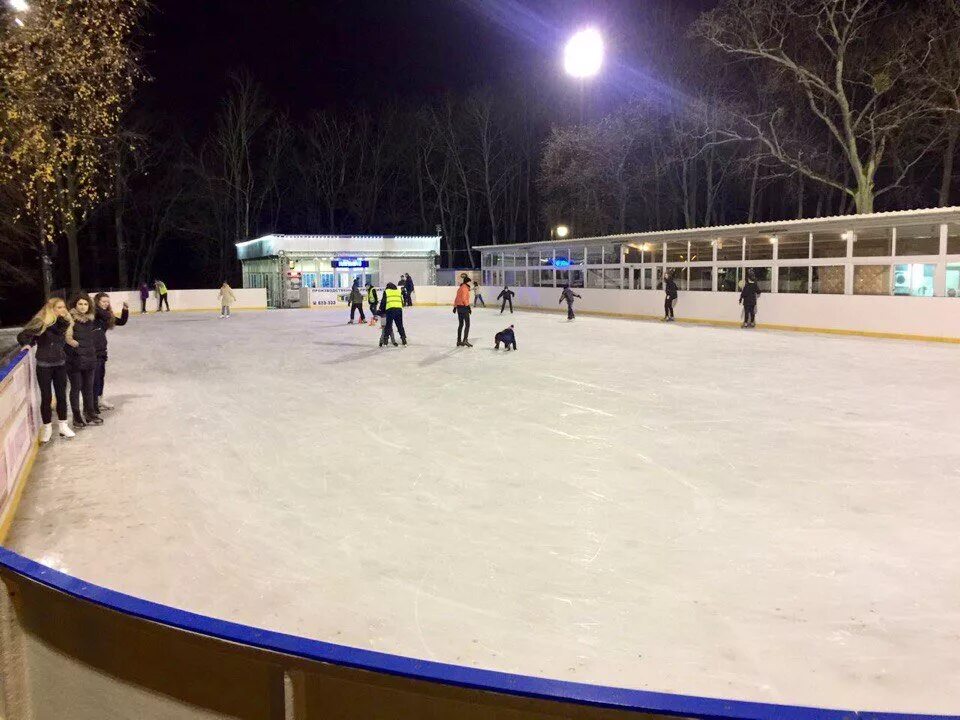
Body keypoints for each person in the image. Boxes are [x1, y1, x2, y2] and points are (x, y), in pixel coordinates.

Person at [17, 298, 77, 442]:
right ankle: (47, 427)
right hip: (44, 365)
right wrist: (26, 344)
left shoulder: (65, 322)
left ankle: (63, 426)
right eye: (59, 307)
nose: (63, 310)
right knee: (46, 397)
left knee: (62, 396)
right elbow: (23, 334)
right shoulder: (41, 322)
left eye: (64, 307)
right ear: (51, 309)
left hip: (60, 364)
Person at [66, 293, 102, 428]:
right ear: (75, 305)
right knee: (76, 388)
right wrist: (70, 342)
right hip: (74, 360)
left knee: (88, 388)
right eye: (80, 304)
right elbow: (66, 338)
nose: (83, 307)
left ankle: (90, 413)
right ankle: (76, 417)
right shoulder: (69, 319)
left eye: (85, 304)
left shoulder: (90, 320)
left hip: (90, 358)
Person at [92, 293, 129, 412]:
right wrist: (109, 312)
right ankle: (93, 402)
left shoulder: (106, 315)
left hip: (102, 349)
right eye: (103, 301)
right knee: (95, 377)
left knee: (101, 375)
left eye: (107, 302)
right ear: (97, 302)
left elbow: (122, 321)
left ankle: (100, 399)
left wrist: (125, 309)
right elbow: (103, 313)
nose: (106, 304)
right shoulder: (95, 312)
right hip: (92, 350)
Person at [377, 282, 407, 347]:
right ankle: (404, 340)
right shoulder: (398, 291)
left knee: (388, 325)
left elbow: (383, 302)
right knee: (400, 325)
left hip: (390, 310)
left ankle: (385, 341)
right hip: (399, 310)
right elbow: (402, 302)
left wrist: (380, 310)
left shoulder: (387, 291)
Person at [454, 275, 473, 347]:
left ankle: (459, 341)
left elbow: (457, 298)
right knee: (467, 324)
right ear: (467, 282)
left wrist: (455, 307)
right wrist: (468, 307)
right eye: (470, 282)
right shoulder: (465, 288)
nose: (470, 284)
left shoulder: (460, 288)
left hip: (459, 308)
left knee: (461, 324)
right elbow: (464, 298)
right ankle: (465, 340)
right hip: (464, 308)